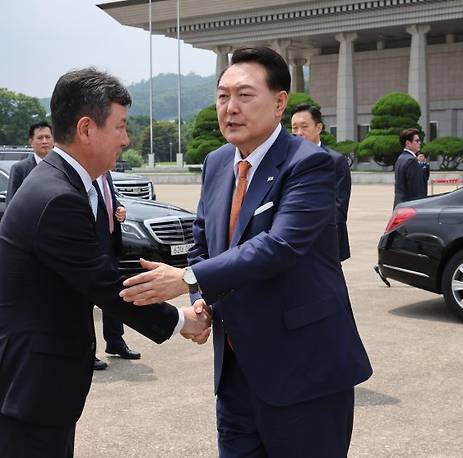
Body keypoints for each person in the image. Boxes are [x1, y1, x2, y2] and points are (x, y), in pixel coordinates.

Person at [120, 47, 372, 457]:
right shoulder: (218, 162)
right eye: (222, 96)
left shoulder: (310, 164)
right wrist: (202, 304)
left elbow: (279, 245)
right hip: (236, 372)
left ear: (279, 102)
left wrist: (186, 280)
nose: (230, 108)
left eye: (244, 95)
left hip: (303, 371)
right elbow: (203, 241)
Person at [0, 68, 211, 457]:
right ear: (86, 129)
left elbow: (92, 267)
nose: (126, 139)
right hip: (25, 392)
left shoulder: (61, 183)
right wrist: (183, 319)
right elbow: (104, 284)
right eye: (120, 127)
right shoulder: (58, 196)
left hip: (35, 389)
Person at [92, 171, 140, 371]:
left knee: (115, 294)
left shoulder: (106, 174)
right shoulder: (87, 174)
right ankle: (87, 351)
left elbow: (109, 199)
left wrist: (119, 208)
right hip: (92, 247)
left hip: (110, 245)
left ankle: (115, 341)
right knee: (88, 298)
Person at [291, 104, 352, 261]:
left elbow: (339, 206)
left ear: (318, 128)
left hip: (325, 239)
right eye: (294, 128)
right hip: (293, 239)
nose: (298, 133)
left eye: (304, 127)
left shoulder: (335, 161)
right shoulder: (287, 160)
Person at [6, 121, 55, 203]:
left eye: (48, 137)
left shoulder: (62, 166)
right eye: (40, 138)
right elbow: (12, 202)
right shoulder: (19, 169)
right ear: (31, 142)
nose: (44, 141)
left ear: (53, 140)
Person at [394, 128, 426, 208]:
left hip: (399, 204)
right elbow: (416, 189)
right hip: (410, 207)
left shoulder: (401, 158)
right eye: (417, 141)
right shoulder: (411, 161)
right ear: (408, 143)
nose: (420, 143)